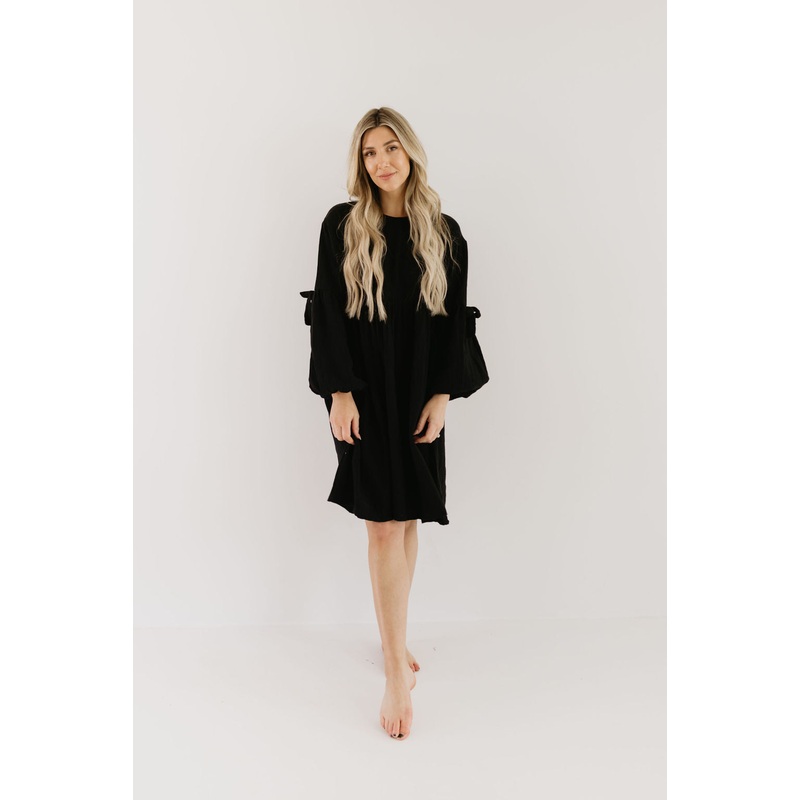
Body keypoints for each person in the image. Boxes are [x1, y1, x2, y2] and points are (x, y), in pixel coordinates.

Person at [306, 107, 474, 741]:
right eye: (370, 151)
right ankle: (395, 675)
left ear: (410, 152)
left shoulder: (445, 232)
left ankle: (393, 639)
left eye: (391, 147)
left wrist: (443, 395)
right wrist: (339, 392)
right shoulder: (343, 225)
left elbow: (453, 320)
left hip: (419, 395)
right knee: (382, 524)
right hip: (364, 394)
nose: (381, 161)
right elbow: (328, 311)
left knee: (406, 520)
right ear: (361, 162)